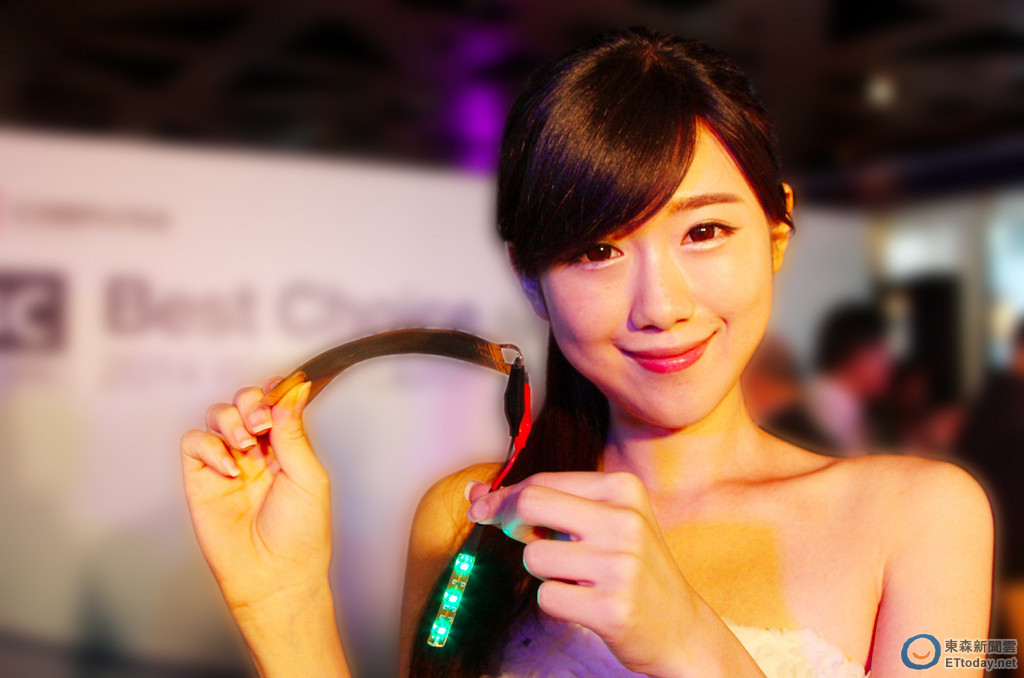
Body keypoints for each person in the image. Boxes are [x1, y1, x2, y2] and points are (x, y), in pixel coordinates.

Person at [180, 28, 993, 677]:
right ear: (531, 280)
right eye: (597, 251)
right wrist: (281, 605)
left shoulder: (921, 516)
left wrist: (692, 645)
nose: (661, 307)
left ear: (776, 232)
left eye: (705, 231)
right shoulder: (472, 518)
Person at [766, 304, 893, 456]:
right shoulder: (813, 409)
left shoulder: (861, 414)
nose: (888, 365)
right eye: (880, 353)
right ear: (854, 354)